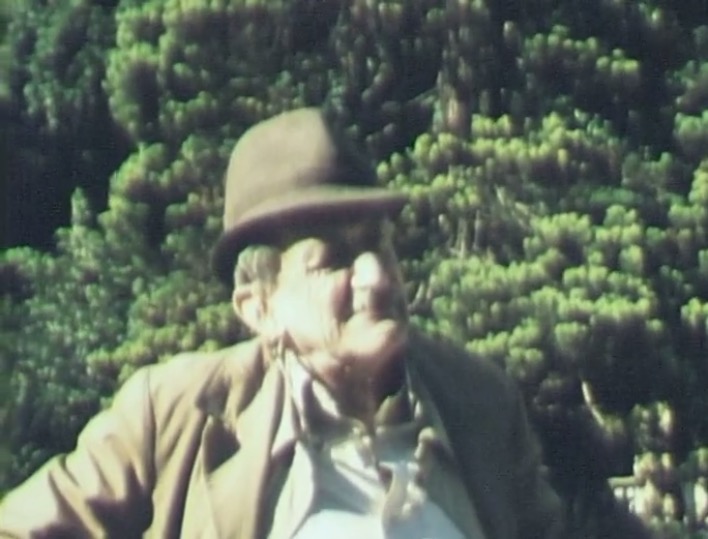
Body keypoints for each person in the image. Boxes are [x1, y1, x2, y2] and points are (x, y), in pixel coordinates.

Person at [0, 108, 564, 538]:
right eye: (334, 261)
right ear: (259, 308)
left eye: (379, 245)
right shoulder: (175, 416)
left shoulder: (478, 403)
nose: (376, 277)